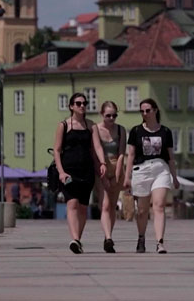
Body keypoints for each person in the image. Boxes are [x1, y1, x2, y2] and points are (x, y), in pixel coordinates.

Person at [53, 92, 108, 254]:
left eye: (84, 103)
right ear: (71, 106)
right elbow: (56, 151)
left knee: (83, 207)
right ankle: (75, 239)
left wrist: (102, 163)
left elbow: (97, 146)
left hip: (87, 170)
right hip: (69, 170)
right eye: (78, 103)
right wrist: (61, 172)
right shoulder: (63, 125)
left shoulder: (91, 126)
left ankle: (78, 240)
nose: (82, 106)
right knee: (72, 203)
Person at [124, 98, 180, 254]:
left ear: (155, 110)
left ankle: (159, 242)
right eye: (142, 111)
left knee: (159, 205)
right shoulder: (136, 131)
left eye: (148, 110)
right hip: (141, 170)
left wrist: (174, 177)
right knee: (142, 211)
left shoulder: (165, 132)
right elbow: (131, 155)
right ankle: (141, 237)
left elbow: (170, 157)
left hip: (160, 169)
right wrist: (127, 177)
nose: (144, 113)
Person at [96, 101, 127, 253]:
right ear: (102, 114)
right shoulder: (95, 129)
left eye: (114, 115)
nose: (111, 118)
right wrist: (103, 177)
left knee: (112, 205)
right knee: (105, 205)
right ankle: (108, 238)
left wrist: (117, 175)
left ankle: (109, 236)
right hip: (101, 168)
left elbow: (121, 153)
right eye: (108, 115)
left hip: (117, 167)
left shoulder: (121, 130)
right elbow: (94, 151)